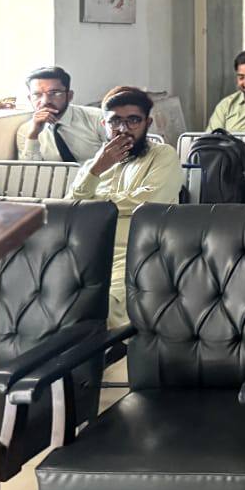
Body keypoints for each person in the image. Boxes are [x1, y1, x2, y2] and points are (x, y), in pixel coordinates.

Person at [67, 86, 182, 327]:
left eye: (133, 120)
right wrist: (96, 170)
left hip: (138, 251)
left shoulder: (163, 156)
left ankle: (113, 350)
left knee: (103, 302)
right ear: (104, 124)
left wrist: (96, 200)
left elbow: (149, 202)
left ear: (147, 123)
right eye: (115, 121)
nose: (123, 129)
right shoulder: (94, 165)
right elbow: (71, 208)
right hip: (87, 251)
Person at [16, 66, 108, 162]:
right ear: (30, 99)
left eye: (54, 93)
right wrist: (33, 135)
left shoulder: (98, 118)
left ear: (69, 96)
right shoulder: (26, 130)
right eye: (37, 94)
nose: (45, 101)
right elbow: (30, 170)